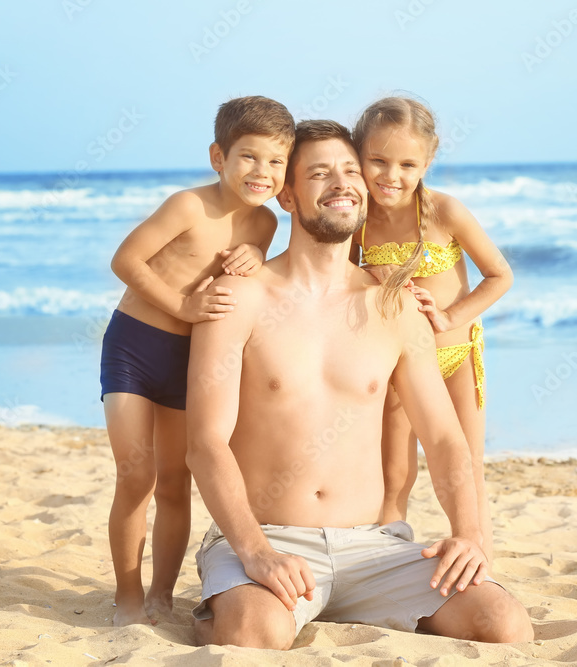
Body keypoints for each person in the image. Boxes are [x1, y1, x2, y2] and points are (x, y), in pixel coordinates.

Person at [185, 119, 533, 649]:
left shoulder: (395, 305)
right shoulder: (241, 297)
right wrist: (255, 550)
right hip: (269, 539)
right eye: (320, 173)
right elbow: (205, 442)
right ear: (287, 194)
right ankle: (224, 597)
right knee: (254, 634)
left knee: (502, 624)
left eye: (350, 171)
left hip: (376, 547)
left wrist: (470, 534)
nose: (341, 183)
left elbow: (442, 439)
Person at [99, 95, 294, 626]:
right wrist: (183, 305)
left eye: (276, 161)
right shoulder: (189, 205)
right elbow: (126, 260)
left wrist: (256, 258)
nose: (263, 171)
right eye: (249, 157)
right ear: (218, 157)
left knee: (175, 481)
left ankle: (162, 593)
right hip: (135, 346)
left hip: (192, 361)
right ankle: (129, 594)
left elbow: (259, 275)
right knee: (134, 475)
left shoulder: (267, 225)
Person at [350, 97, 513, 564]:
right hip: (399, 365)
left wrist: (449, 317)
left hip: (456, 356)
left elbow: (500, 275)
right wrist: (373, 277)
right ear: (359, 154)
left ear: (429, 159)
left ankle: (478, 557)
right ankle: (381, 557)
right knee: (394, 470)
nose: (390, 175)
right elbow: (335, 281)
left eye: (406, 164)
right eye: (377, 161)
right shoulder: (358, 222)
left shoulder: (445, 211)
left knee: (465, 467)